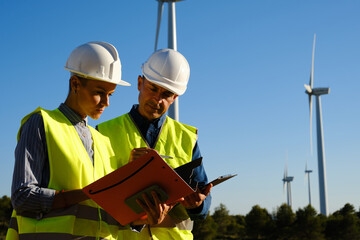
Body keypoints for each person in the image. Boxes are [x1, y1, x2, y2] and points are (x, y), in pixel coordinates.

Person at [6, 41, 169, 240]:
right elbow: (23, 198)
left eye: (110, 94)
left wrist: (143, 218)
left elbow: (107, 215)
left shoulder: (103, 141)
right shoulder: (42, 123)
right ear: (75, 84)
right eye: (99, 93)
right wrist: (88, 193)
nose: (106, 103)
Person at [97, 48, 212, 240]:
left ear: (175, 98)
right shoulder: (103, 133)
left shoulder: (187, 137)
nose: (157, 99)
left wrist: (198, 204)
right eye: (153, 88)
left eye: (166, 94)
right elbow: (97, 199)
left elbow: (203, 206)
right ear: (140, 83)